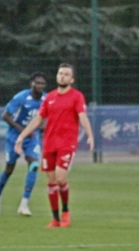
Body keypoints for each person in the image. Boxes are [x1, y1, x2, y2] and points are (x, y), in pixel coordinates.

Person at [14, 63, 95, 228]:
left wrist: (90, 134)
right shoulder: (49, 97)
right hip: (49, 144)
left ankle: (65, 212)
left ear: (71, 79)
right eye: (60, 73)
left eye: (66, 74)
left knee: (60, 178)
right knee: (51, 181)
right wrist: (21, 136)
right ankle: (55, 219)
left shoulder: (76, 96)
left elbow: (82, 116)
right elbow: (38, 119)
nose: (62, 76)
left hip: (67, 144)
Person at [0, 72, 47, 217]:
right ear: (31, 84)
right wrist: (22, 130)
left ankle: (24, 204)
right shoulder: (21, 97)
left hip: (32, 137)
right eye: (37, 83)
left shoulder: (46, 99)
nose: (40, 86)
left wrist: (43, 126)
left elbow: (47, 117)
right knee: (9, 169)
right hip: (15, 137)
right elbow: (5, 115)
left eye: (42, 83)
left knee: (34, 165)